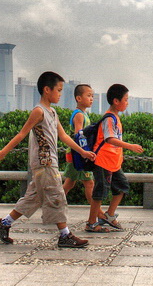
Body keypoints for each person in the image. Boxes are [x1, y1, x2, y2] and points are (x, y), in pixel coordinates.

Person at [0, 71, 96, 248]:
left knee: (33, 198)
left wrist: (82, 152)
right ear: (47, 90)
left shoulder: (52, 112)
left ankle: (4, 223)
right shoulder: (38, 111)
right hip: (44, 162)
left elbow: (63, 136)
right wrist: (4, 152)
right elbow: (22, 134)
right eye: (59, 90)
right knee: (57, 196)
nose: (60, 94)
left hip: (49, 162)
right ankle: (65, 235)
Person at [86, 83, 143, 233]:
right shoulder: (109, 119)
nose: (127, 103)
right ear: (116, 101)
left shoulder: (115, 118)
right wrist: (130, 146)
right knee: (100, 192)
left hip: (113, 162)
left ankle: (109, 215)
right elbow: (109, 139)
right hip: (103, 161)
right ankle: (91, 223)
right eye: (125, 99)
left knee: (122, 187)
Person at [62, 84, 97, 217]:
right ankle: (97, 213)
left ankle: (53, 206)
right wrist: (85, 153)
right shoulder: (79, 115)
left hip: (75, 153)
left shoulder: (83, 114)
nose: (91, 99)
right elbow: (79, 135)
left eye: (92, 96)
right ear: (78, 98)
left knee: (70, 183)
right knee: (89, 183)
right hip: (79, 155)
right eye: (88, 96)